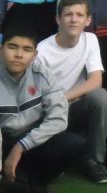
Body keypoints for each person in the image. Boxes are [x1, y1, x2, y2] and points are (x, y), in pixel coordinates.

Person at [36, 0, 107, 184]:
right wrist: (56, 103)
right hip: (48, 111)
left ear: (88, 20)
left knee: (101, 97)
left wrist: (64, 98)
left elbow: (96, 81)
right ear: (58, 19)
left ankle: (94, 161)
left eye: (79, 15)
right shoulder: (42, 51)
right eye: (68, 14)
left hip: (73, 107)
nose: (73, 19)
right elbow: (36, 94)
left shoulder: (91, 40)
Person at [0, 25, 84, 193]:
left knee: (74, 143)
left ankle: (36, 183)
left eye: (27, 49)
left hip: (31, 139)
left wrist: (21, 146)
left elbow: (58, 118)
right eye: (12, 47)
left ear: (34, 55)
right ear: (1, 50)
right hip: (3, 140)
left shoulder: (42, 74)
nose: (19, 54)